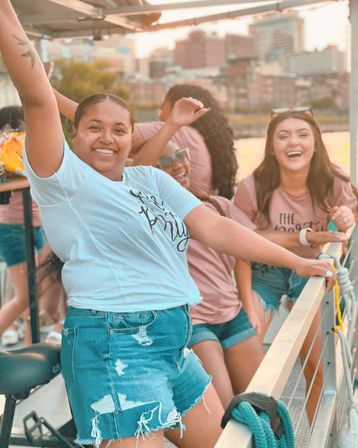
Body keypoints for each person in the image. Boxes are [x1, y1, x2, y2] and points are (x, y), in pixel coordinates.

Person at [0, 5, 336, 446]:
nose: (108, 137)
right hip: (113, 344)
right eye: (94, 127)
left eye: (120, 129)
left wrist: (297, 260)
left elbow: (216, 230)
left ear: (132, 135)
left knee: (225, 443)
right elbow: (39, 97)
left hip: (173, 339)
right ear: (73, 136)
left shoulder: (149, 178)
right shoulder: (63, 179)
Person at [234, 107, 357, 424]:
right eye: (283, 135)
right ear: (271, 145)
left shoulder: (334, 182)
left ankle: (317, 434)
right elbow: (241, 242)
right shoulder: (253, 187)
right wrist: (249, 305)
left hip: (312, 275)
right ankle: (260, 431)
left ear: (315, 141)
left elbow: (346, 223)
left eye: (303, 134)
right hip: (265, 274)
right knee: (244, 348)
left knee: (318, 365)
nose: (294, 142)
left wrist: (346, 217)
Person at [51, 82, 238, 199]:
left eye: (162, 107)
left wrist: (49, 94)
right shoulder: (196, 137)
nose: (159, 113)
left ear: (176, 108)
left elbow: (110, 126)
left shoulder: (173, 130)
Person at [0, 105, 60, 346]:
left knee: (35, 290)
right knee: (24, 296)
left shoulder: (33, 146)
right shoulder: (6, 151)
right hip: (13, 227)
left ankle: (30, 348)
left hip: (38, 223)